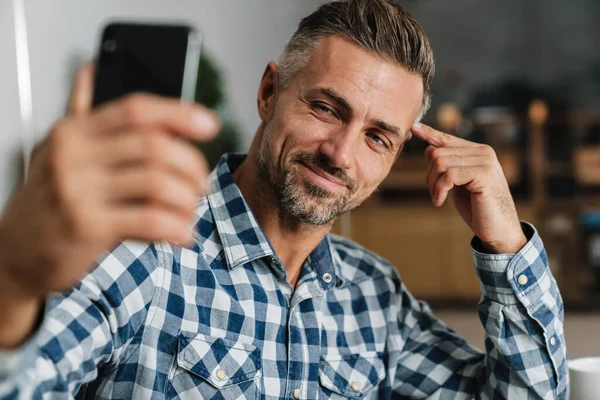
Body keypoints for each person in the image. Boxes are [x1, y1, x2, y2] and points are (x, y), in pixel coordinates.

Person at [0, 0, 567, 398]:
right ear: (270, 92)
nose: (341, 154)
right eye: (326, 108)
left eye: (377, 137)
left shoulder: (376, 296)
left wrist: (506, 243)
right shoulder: (142, 246)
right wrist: (14, 280)